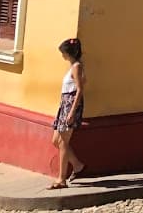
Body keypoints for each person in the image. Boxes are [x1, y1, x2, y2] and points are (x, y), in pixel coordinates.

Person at [51, 37, 86, 188]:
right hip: (65, 103)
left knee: (63, 142)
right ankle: (77, 165)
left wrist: (71, 112)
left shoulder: (77, 67)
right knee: (56, 140)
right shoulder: (73, 66)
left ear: (69, 53)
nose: (62, 56)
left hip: (71, 104)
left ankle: (61, 179)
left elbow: (79, 89)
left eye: (64, 53)